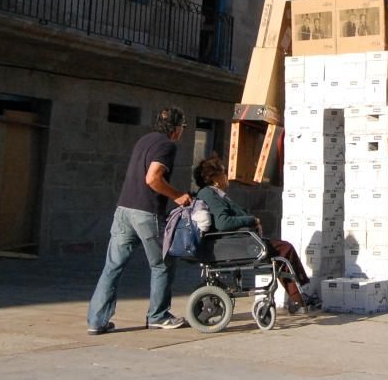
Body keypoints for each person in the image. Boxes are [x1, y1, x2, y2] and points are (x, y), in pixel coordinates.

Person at [87, 107, 192, 334]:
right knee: (162, 264)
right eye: (183, 127)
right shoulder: (167, 145)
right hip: (146, 212)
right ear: (176, 129)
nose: (182, 132)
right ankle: (158, 315)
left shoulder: (144, 140)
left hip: (123, 209)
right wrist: (178, 196)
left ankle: (97, 321)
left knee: (112, 266)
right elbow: (153, 178)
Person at [194, 154, 319, 311]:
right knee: (285, 249)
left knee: (282, 250)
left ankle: (298, 297)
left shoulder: (213, 194)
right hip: (235, 244)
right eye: (224, 173)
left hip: (237, 241)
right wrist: (251, 220)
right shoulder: (211, 195)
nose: (227, 177)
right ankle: (299, 299)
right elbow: (223, 222)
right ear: (216, 178)